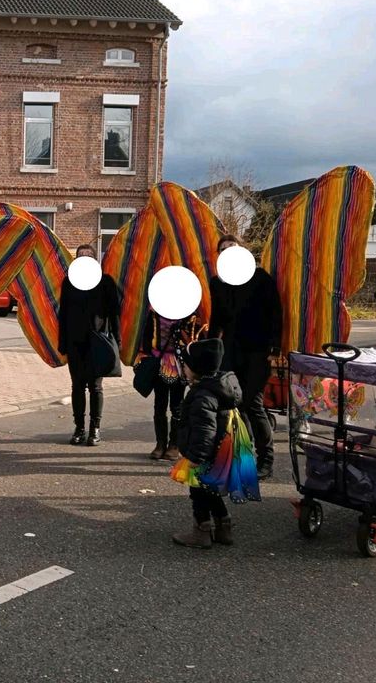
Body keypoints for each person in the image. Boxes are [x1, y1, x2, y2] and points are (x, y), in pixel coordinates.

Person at [208, 234, 282, 480]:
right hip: (231, 349)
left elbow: (275, 312)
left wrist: (275, 349)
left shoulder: (261, 278)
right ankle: (241, 457)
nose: (227, 251)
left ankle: (266, 460)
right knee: (232, 404)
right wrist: (209, 347)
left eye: (232, 247)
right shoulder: (217, 282)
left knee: (253, 404)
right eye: (223, 249)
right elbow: (216, 318)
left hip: (258, 349)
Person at [171, 338, 246, 549]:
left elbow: (204, 431)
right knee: (210, 490)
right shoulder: (219, 388)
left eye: (185, 364)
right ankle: (224, 526)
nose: (183, 368)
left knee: (198, 491)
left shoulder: (202, 396)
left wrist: (195, 457)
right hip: (218, 452)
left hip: (203, 454)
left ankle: (201, 531)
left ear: (196, 369)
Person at [57, 244, 121, 446]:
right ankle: (79, 428)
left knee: (95, 386)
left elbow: (115, 314)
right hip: (75, 342)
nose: (84, 258)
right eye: (80, 256)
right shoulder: (69, 283)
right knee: (77, 386)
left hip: (97, 342)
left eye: (89, 255)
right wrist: (62, 342)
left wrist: (117, 341)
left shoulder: (105, 282)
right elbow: (64, 313)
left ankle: (95, 428)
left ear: (95, 260)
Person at [138, 311, 203, 460]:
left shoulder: (187, 313)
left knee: (177, 406)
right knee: (159, 404)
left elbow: (192, 339)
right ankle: (160, 444)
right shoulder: (153, 313)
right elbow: (146, 337)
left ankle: (174, 444)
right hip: (158, 362)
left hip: (179, 364)